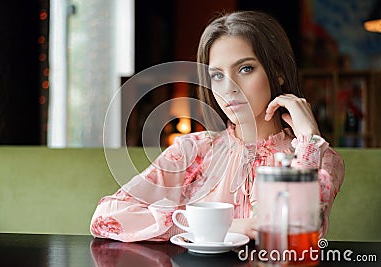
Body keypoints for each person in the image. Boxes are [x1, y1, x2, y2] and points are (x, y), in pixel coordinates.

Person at [90, 11, 344, 242]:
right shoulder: (192, 151)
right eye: (217, 75)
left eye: (245, 69)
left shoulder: (322, 160)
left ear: (277, 71)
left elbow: (295, 234)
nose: (229, 87)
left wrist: (309, 140)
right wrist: (223, 226)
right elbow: (107, 216)